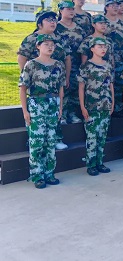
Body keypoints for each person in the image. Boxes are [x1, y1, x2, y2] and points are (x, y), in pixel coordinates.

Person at [18, 10, 70, 150]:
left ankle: (56, 138)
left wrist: (67, 78)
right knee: (35, 117)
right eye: (48, 20)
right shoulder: (31, 39)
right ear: (40, 24)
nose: (53, 22)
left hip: (55, 81)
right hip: (37, 85)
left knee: (57, 111)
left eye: (54, 19)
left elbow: (67, 58)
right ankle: (34, 140)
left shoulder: (59, 38)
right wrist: (28, 78)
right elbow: (22, 57)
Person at [19, 34, 66, 189]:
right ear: (38, 46)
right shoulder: (31, 65)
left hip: (53, 104)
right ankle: (37, 175)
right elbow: (23, 88)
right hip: (36, 104)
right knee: (37, 142)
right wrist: (25, 111)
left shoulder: (58, 65)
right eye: (46, 44)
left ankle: (49, 173)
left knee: (51, 141)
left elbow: (60, 88)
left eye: (52, 44)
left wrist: (60, 108)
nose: (50, 47)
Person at [77, 37, 114, 176]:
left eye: (104, 46)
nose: (103, 49)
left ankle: (100, 162)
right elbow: (81, 87)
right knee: (91, 136)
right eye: (99, 46)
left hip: (105, 105)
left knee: (102, 135)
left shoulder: (107, 65)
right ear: (92, 49)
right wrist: (82, 106)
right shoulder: (86, 66)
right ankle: (91, 164)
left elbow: (110, 84)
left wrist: (112, 102)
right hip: (91, 106)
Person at [55, 1, 84, 125]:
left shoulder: (79, 28)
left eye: (72, 9)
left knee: (75, 90)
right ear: (61, 11)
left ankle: (72, 114)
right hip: (61, 65)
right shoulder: (56, 27)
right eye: (68, 9)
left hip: (77, 65)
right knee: (62, 90)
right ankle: (62, 114)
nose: (71, 11)